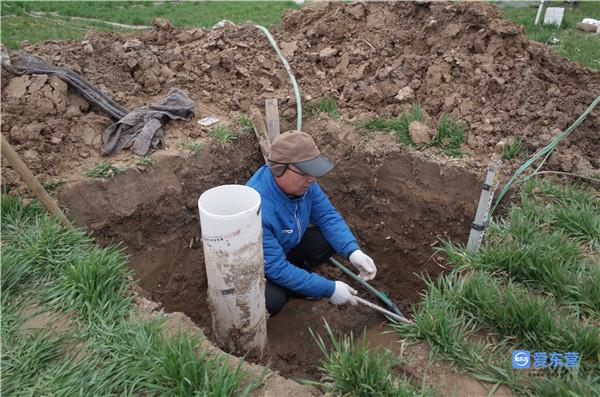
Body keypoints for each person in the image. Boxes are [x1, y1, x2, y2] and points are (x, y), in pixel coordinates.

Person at [246, 130, 377, 316]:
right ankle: (295, 288)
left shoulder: (303, 186)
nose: (312, 179)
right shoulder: (257, 208)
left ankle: (301, 284)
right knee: (273, 300)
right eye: (305, 172)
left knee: (326, 239)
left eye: (313, 171)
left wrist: (352, 251)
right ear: (279, 168)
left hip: (284, 247)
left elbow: (327, 216)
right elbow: (275, 267)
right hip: (261, 268)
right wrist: (328, 288)